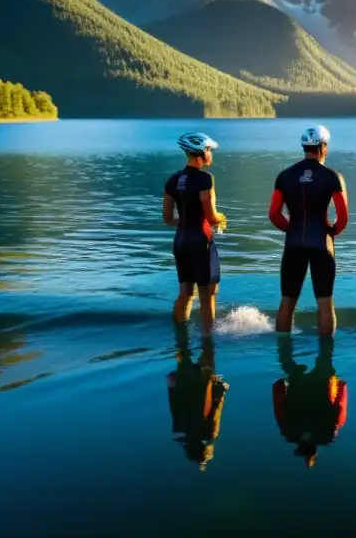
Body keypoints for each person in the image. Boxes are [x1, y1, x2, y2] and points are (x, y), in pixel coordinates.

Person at [269, 125, 348, 335]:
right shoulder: (332, 177)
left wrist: (291, 229)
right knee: (324, 303)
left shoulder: (285, 176)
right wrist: (331, 232)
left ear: (305, 147)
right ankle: (326, 357)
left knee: (287, 300)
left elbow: (274, 214)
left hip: (293, 243)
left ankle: (282, 351)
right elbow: (343, 216)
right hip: (321, 243)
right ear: (323, 147)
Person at [163, 132, 227, 335]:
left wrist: (185, 223)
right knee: (207, 293)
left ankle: (179, 336)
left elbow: (167, 218)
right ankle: (208, 342)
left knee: (186, 292)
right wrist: (222, 219)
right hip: (201, 240)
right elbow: (211, 215)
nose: (211, 154)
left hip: (181, 240)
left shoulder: (173, 180)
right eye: (209, 150)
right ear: (201, 153)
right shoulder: (205, 179)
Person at [272, 337, 348, 468]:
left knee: (325, 355)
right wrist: (279, 385)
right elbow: (279, 405)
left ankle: (321, 335)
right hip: (298, 386)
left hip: (323, 385)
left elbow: (339, 408)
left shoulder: (327, 435)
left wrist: (341, 386)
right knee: (288, 361)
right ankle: (284, 336)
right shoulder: (289, 433)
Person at [166, 325, 228, 471]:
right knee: (182, 348)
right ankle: (184, 325)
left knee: (207, 348)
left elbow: (215, 409)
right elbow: (175, 406)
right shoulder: (181, 427)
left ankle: (203, 326)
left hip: (202, 383)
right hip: (183, 383)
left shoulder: (210, 432)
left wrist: (221, 387)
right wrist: (171, 386)